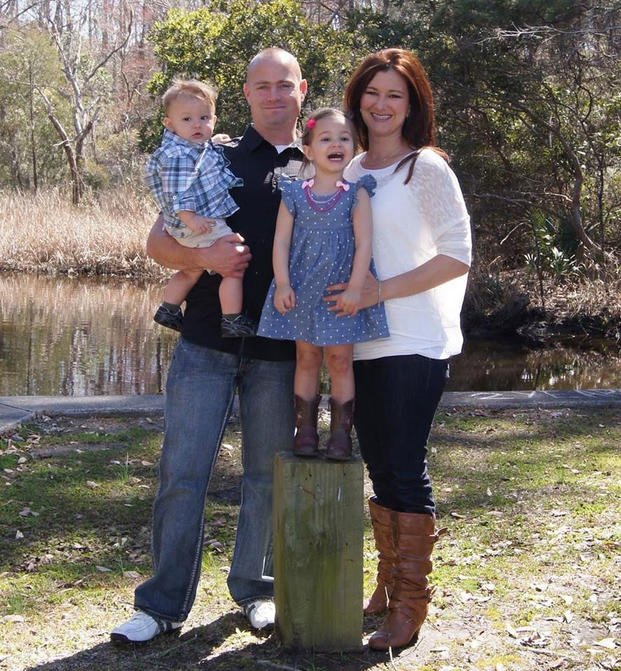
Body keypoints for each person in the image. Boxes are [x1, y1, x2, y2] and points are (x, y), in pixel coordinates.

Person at [110, 47, 307, 645]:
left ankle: (257, 591)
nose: (274, 95)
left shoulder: (326, 160)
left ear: (302, 90)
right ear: (246, 93)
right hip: (205, 343)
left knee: (266, 477)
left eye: (285, 85)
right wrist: (203, 257)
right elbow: (156, 243)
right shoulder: (211, 155)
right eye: (262, 86)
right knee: (182, 473)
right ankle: (162, 605)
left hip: (279, 346)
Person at [328, 48, 472, 651]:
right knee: (381, 463)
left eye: (395, 95)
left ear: (412, 105)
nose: (381, 105)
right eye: (373, 92)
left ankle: (410, 606)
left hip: (414, 339)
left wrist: (379, 290)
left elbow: (457, 253)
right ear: (357, 98)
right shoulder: (350, 166)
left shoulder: (426, 169)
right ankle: (388, 585)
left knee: (404, 465)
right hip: (359, 342)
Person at [258, 107, 388, 461]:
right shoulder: (295, 194)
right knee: (306, 357)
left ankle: (341, 437)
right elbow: (281, 242)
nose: (336, 144)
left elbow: (364, 245)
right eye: (326, 138)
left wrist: (355, 290)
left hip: (339, 293)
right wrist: (283, 284)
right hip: (302, 289)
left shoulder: (356, 194)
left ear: (355, 147)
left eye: (344, 138)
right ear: (309, 149)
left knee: (341, 360)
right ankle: (306, 431)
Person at [146, 78, 256, 338]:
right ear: (169, 124)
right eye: (186, 120)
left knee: (191, 270)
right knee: (235, 261)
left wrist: (214, 140)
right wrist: (190, 218)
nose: (197, 124)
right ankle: (231, 319)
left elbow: (202, 157)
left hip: (185, 226)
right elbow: (179, 190)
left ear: (214, 120)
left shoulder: (193, 148)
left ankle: (169, 308)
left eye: (204, 118)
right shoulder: (179, 156)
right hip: (195, 221)